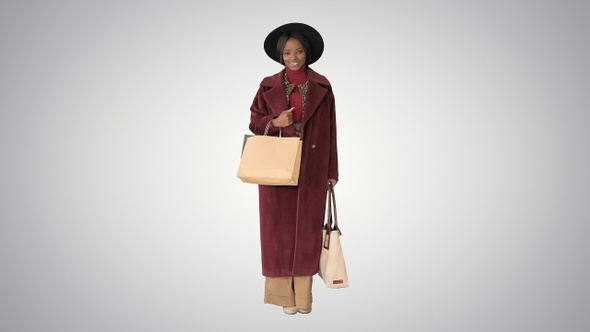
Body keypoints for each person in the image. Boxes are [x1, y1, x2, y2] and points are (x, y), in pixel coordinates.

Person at [248, 22, 339, 315]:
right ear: (280, 55)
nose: (293, 56)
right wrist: (275, 122)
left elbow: (332, 131)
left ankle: (302, 299)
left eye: (298, 51)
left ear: (307, 52)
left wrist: (332, 171)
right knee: (277, 233)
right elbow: (254, 122)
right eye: (287, 52)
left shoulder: (323, 86)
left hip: (312, 169)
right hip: (275, 168)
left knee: (307, 231)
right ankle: (282, 298)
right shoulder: (267, 85)